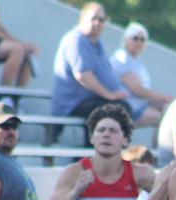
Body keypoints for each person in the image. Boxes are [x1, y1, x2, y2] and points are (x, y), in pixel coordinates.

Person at [52, 2, 131, 131]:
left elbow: (106, 73)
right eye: (93, 18)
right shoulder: (75, 40)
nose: (97, 23)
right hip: (73, 105)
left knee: (122, 108)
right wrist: (109, 95)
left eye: (101, 20)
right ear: (82, 18)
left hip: (92, 101)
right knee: (116, 111)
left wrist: (117, 91)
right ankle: (98, 150)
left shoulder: (97, 43)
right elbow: (83, 76)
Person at [110, 22, 171, 127]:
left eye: (142, 39)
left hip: (140, 104)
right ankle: (161, 143)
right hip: (127, 108)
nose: (139, 42)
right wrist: (165, 98)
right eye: (135, 38)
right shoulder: (122, 58)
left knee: (169, 109)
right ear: (125, 40)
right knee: (166, 119)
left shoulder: (136, 60)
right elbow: (138, 90)